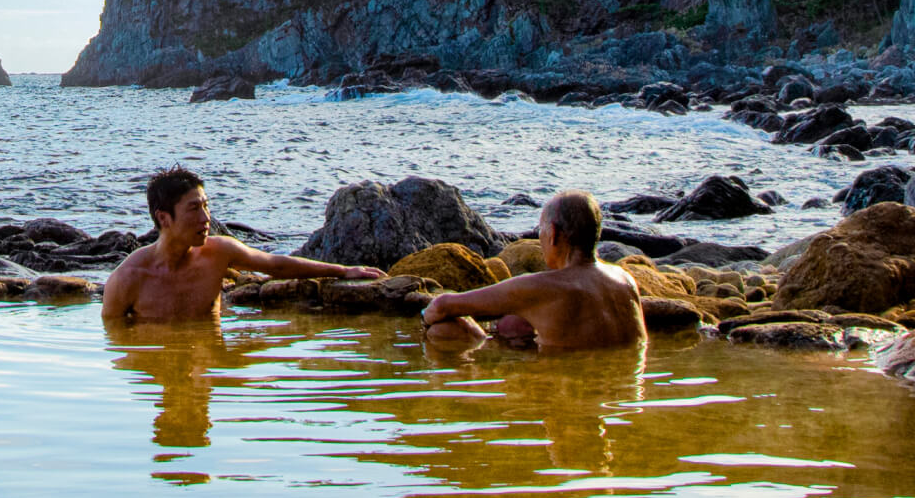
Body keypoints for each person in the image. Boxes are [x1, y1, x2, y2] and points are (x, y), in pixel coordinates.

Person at [102, 165, 385, 322]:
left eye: (206, 206)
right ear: (164, 218)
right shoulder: (127, 280)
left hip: (210, 366)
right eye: (193, 209)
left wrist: (344, 271)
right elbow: (117, 344)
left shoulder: (218, 253)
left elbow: (276, 265)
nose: (206, 218)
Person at [420, 190, 646, 350]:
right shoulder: (625, 279)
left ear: (554, 233)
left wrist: (424, 318)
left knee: (441, 331)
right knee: (514, 323)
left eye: (541, 230)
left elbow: (441, 307)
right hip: (617, 392)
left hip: (564, 389)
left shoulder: (543, 287)